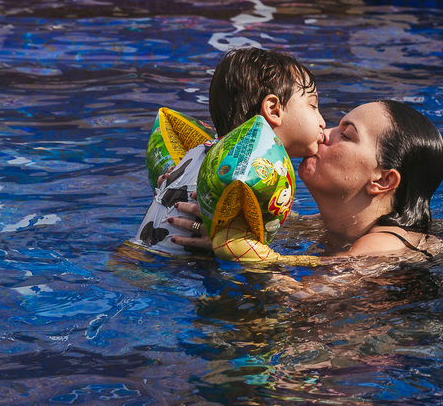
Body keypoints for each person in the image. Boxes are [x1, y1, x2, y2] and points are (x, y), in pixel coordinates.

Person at [172, 99, 443, 261]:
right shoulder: (324, 226)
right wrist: (220, 211)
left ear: (383, 180)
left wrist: (234, 244)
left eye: (346, 135)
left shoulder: (388, 245)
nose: (324, 133)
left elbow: (303, 297)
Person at [128, 48, 325, 262]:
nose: (322, 121)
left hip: (133, 256)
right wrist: (309, 261)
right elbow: (233, 246)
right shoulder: (245, 169)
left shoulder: (206, 151)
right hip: (164, 271)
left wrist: (308, 223)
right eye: (313, 106)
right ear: (273, 110)